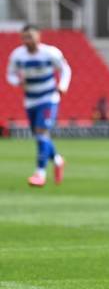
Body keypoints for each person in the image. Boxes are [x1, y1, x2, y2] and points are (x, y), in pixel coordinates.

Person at [6, 25, 71, 187]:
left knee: (41, 133)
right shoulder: (18, 55)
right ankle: (57, 160)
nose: (28, 40)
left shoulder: (50, 53)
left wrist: (62, 86)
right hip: (30, 100)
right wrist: (18, 81)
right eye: (25, 37)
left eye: (30, 36)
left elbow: (65, 69)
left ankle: (39, 174)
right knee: (40, 136)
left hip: (48, 98)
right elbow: (10, 74)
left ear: (38, 37)